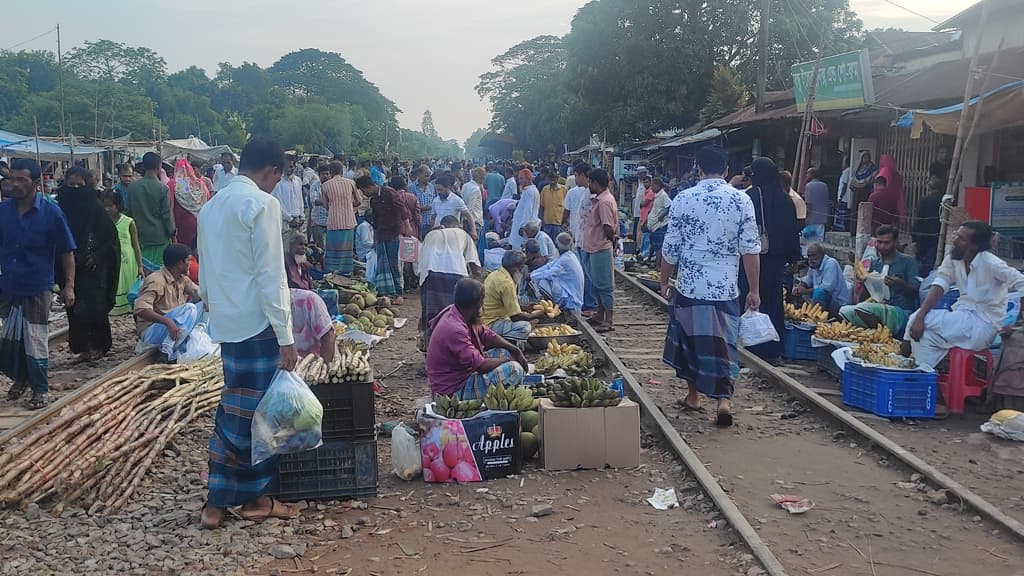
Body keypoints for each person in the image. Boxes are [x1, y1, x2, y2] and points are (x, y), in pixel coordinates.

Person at [198, 136, 298, 530]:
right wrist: (285, 335)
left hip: (227, 324)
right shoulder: (262, 204)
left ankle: (217, 502)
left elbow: (204, 270)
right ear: (272, 171)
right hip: (258, 325)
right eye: (277, 177)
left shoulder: (211, 206)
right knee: (259, 415)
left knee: (232, 410)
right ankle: (255, 497)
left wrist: (213, 304)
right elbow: (271, 277)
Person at [659, 145, 761, 426]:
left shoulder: (683, 198)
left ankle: (693, 396)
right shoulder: (742, 200)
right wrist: (754, 289)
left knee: (690, 341)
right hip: (725, 287)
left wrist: (664, 280)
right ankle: (723, 401)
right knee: (723, 344)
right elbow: (751, 249)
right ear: (727, 170)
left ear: (698, 169)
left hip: (690, 286)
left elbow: (671, 248)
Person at [1, 159, 76, 410]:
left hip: (37, 285)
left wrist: (69, 286)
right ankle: (21, 378)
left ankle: (40, 390)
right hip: (9, 285)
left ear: (35, 183)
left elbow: (66, 252)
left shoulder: (51, 212)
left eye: (21, 179)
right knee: (11, 337)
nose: (14, 184)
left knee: (35, 338)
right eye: (12, 178)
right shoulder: (3, 211)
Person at [907, 221, 1024, 371]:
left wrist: (1018, 324)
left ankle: (902, 357)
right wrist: (921, 317)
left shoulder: (991, 263)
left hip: (984, 325)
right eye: (956, 235)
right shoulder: (953, 258)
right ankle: (922, 376)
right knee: (923, 336)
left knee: (915, 320)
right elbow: (939, 284)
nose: (955, 241)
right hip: (962, 318)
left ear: (975, 246)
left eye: (961, 239)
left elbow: (1021, 283)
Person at [55, 166, 121, 363]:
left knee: (94, 307)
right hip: (67, 267)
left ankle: (98, 346)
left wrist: (97, 257)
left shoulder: (95, 208)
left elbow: (110, 239)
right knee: (74, 309)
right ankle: (83, 348)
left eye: (79, 185)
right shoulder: (59, 208)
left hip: (92, 268)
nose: (75, 188)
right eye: (71, 184)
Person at [425, 278, 528, 399]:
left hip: (462, 374)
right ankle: (502, 401)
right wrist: (508, 360)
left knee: (504, 351)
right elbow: (481, 366)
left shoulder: (459, 312)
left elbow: (487, 334)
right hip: (452, 390)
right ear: (477, 304)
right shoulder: (454, 329)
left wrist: (515, 350)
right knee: (514, 369)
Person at [740, 158, 801, 361]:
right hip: (776, 261)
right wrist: (793, 257)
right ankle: (773, 347)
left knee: (749, 298)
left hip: (751, 258)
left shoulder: (749, 197)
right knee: (774, 302)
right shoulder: (786, 200)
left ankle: (749, 345)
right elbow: (793, 232)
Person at [839, 225, 919, 336]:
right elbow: (868, 295)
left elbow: (915, 291)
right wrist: (865, 283)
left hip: (900, 311)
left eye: (886, 243)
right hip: (876, 308)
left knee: (863, 309)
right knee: (844, 311)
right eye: (879, 242)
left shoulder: (908, 262)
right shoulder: (875, 263)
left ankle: (883, 335)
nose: (882, 246)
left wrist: (900, 284)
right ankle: (877, 336)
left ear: (895, 242)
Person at [415, 215, 481, 344]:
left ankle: (431, 349)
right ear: (457, 225)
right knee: (457, 313)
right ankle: (457, 344)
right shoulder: (462, 233)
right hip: (455, 273)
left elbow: (420, 264)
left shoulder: (430, 234)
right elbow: (476, 269)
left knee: (432, 314)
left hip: (430, 275)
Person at [134, 243, 202, 358]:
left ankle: (194, 339)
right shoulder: (157, 281)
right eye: (188, 261)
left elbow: (200, 294)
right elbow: (140, 309)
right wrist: (167, 322)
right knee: (189, 308)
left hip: (172, 329)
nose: (190, 264)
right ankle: (167, 348)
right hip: (152, 331)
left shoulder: (182, 279)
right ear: (180, 263)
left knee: (204, 305)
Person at [358, 175, 410, 304]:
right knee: (382, 265)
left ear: (369, 186)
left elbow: (401, 209)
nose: (364, 194)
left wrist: (407, 225)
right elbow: (375, 221)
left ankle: (398, 293)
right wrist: (375, 239)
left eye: (364, 191)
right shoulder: (374, 200)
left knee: (394, 264)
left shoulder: (389, 192)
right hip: (381, 234)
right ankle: (387, 292)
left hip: (393, 233)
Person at [481, 250, 546, 346]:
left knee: (525, 317)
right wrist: (536, 315)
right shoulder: (506, 283)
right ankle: (507, 344)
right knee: (525, 326)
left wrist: (526, 308)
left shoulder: (495, 274)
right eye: (521, 267)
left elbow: (507, 303)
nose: (522, 270)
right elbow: (515, 317)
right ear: (514, 267)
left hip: (486, 319)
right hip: (491, 323)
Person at [582, 168, 618, 332]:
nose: (589, 184)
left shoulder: (604, 202)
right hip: (593, 246)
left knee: (604, 285)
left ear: (596, 183)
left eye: (590, 182)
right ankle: (600, 313)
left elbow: (608, 227)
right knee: (596, 284)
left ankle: (609, 319)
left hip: (601, 247)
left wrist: (613, 243)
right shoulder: (600, 199)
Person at [126, 152, 175, 266]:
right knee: (159, 274)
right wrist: (173, 234)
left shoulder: (132, 187)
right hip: (159, 238)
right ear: (159, 167)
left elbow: (128, 212)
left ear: (143, 166)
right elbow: (167, 216)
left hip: (139, 237)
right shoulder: (163, 188)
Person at [101, 189, 143, 315]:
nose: (107, 209)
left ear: (118, 205)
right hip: (110, 257)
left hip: (126, 259)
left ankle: (126, 307)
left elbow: (136, 246)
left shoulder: (128, 222)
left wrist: (140, 265)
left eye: (110, 206)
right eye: (104, 206)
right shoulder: (102, 222)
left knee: (125, 282)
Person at [563, 163, 597, 312]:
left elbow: (566, 212)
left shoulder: (591, 193)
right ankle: (587, 299)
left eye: (576, 175)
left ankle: (589, 301)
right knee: (583, 270)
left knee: (586, 271)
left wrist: (564, 224)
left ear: (582, 175)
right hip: (579, 234)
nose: (574, 178)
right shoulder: (587, 192)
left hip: (585, 236)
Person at [321, 160, 362, 275]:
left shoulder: (325, 185)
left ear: (330, 172)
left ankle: (332, 273)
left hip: (333, 221)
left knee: (333, 251)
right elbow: (358, 201)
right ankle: (346, 273)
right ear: (342, 170)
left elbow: (325, 205)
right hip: (348, 220)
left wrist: (334, 207)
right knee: (346, 251)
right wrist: (348, 205)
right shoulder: (351, 183)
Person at [528, 232, 584, 312]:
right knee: (541, 278)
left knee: (543, 282)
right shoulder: (567, 255)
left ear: (557, 245)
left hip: (572, 301)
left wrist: (532, 276)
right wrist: (533, 273)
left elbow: (549, 273)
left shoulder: (566, 260)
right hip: (569, 292)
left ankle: (550, 308)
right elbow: (549, 266)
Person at [793, 243, 850, 314]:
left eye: (813, 255)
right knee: (797, 290)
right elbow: (808, 279)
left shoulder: (831, 263)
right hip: (825, 299)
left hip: (838, 303)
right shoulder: (814, 265)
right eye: (809, 256)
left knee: (819, 292)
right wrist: (801, 287)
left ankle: (815, 316)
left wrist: (805, 291)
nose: (810, 259)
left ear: (821, 255)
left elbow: (826, 288)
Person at [169, 158, 211, 250]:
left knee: (183, 250)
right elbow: (207, 200)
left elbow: (170, 207)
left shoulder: (172, 184)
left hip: (181, 223)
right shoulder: (200, 184)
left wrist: (172, 227)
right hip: (199, 221)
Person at [289, 288, 336, 362]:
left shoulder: (308, 299)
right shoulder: (265, 308)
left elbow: (328, 335)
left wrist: (322, 367)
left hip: (312, 365)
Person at [912, 175, 945, 275]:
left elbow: (918, 220)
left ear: (929, 187)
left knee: (923, 264)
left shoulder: (925, 201)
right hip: (940, 235)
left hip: (924, 237)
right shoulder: (946, 201)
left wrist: (914, 238)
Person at [870, 154, 905, 231]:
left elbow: (880, 184)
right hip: (894, 200)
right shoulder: (896, 174)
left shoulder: (884, 171)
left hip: (881, 200)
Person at [508, 169, 540, 250]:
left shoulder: (530, 192)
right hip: (528, 224)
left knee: (519, 248)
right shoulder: (531, 191)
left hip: (524, 226)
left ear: (528, 178)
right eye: (519, 179)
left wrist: (523, 226)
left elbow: (527, 211)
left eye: (522, 178)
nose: (520, 181)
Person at [848, 151, 878, 234]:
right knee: (855, 212)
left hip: (865, 193)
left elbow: (872, 181)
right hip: (856, 194)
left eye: (867, 157)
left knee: (864, 213)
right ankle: (853, 231)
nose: (866, 159)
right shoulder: (858, 168)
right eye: (864, 157)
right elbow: (853, 182)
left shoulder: (872, 169)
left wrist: (864, 184)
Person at [272, 159, 305, 232]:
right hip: (284, 221)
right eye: (289, 166)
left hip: (297, 219)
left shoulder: (298, 180)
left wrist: (302, 215)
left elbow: (300, 199)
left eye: (292, 166)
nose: (291, 168)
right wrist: (289, 219)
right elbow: (278, 202)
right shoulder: (278, 181)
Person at [646, 177, 671, 266]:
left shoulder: (663, 195)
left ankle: (658, 266)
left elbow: (669, 206)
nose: (651, 187)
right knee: (654, 244)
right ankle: (650, 260)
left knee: (658, 246)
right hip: (654, 225)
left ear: (658, 185)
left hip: (660, 225)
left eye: (653, 185)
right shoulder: (657, 195)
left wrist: (662, 215)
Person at [308, 163, 331, 249]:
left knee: (331, 245)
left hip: (331, 221)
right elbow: (315, 201)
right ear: (319, 175)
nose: (326, 176)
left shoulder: (332, 186)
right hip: (318, 220)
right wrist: (329, 201)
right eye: (323, 174)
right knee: (320, 246)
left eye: (327, 174)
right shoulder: (314, 186)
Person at [803, 167, 829, 242]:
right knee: (819, 242)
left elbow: (809, 204)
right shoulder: (824, 186)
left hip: (812, 219)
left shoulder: (809, 186)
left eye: (808, 174)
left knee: (809, 242)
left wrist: (806, 217)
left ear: (812, 175)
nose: (806, 176)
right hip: (822, 219)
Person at [409, 165, 436, 238]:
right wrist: (423, 208)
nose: (428, 178)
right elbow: (411, 207)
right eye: (426, 176)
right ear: (419, 175)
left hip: (430, 222)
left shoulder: (431, 187)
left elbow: (434, 201)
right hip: (418, 223)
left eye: (429, 176)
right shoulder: (411, 188)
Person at [539, 173, 566, 240]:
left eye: (554, 179)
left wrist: (565, 220)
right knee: (548, 241)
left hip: (559, 221)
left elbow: (567, 206)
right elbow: (541, 206)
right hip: (547, 221)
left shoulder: (563, 189)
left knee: (558, 242)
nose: (552, 181)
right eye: (550, 180)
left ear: (557, 179)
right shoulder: (545, 190)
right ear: (548, 180)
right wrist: (541, 219)